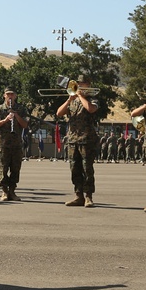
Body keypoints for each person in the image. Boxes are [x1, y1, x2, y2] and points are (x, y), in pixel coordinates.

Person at [56, 75, 98, 207]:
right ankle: (78, 195)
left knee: (87, 169)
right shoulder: (72, 100)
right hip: (73, 140)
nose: (80, 85)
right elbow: (59, 113)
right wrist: (69, 100)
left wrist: (80, 96)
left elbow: (91, 109)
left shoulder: (93, 98)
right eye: (78, 83)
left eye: (83, 83)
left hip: (87, 139)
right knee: (74, 169)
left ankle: (88, 196)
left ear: (88, 84)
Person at [0, 87, 29, 201]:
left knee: (15, 168)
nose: (10, 97)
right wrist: (6, 120)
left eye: (12, 94)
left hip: (16, 144)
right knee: (3, 168)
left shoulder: (21, 109)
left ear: (15, 96)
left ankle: (12, 191)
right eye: (8, 94)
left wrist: (16, 115)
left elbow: (25, 125)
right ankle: (4, 191)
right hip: (3, 144)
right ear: (4, 96)